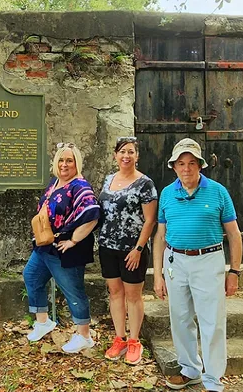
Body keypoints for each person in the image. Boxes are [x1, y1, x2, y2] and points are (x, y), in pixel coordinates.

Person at [152, 138, 243, 392]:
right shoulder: (168, 194)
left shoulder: (218, 191)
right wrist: (157, 275)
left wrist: (234, 271)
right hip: (175, 261)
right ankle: (190, 369)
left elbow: (234, 235)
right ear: (174, 166)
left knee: (211, 320)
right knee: (180, 318)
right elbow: (160, 236)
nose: (186, 169)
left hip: (208, 259)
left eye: (192, 163)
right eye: (181, 163)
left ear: (200, 165)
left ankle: (213, 379)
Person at [23, 142, 100, 354]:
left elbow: (92, 214)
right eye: (61, 160)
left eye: (69, 160)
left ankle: (84, 335)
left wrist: (73, 240)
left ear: (77, 163)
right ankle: (43, 322)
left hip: (66, 250)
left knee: (73, 291)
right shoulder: (55, 182)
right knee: (31, 276)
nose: (64, 164)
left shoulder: (80, 186)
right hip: (46, 246)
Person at [98, 136, 158, 365]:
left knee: (133, 295)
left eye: (131, 152)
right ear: (115, 155)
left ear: (137, 156)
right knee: (115, 293)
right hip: (107, 247)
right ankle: (119, 338)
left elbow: (150, 220)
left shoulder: (145, 184)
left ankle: (134, 341)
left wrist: (138, 249)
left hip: (132, 250)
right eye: (122, 151)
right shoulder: (108, 180)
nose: (126, 156)